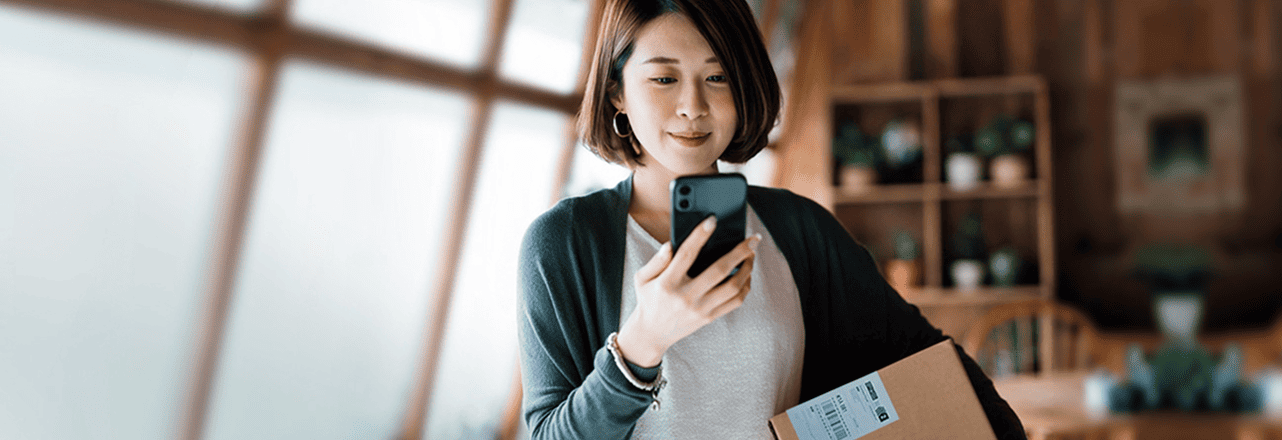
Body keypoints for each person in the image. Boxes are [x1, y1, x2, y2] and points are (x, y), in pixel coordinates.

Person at [517, 0, 1026, 438]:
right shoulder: (564, 243)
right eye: (664, 78)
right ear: (617, 93)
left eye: (717, 76)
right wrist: (641, 344)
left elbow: (932, 364)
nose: (693, 106)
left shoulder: (799, 229)